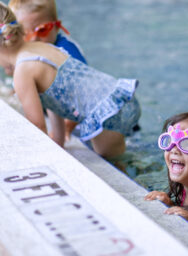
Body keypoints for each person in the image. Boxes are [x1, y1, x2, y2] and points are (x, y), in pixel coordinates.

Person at [0, 3, 140, 158]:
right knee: (117, 156)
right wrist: (58, 140)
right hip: (117, 99)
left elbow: (37, 126)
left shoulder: (22, 72)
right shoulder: (41, 47)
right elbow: (53, 100)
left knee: (115, 163)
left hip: (104, 115)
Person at [9, 0, 88, 140]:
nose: (34, 38)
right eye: (25, 33)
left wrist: (68, 127)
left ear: (57, 26)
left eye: (42, 30)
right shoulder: (29, 53)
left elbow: (84, 92)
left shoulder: (67, 52)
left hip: (85, 118)